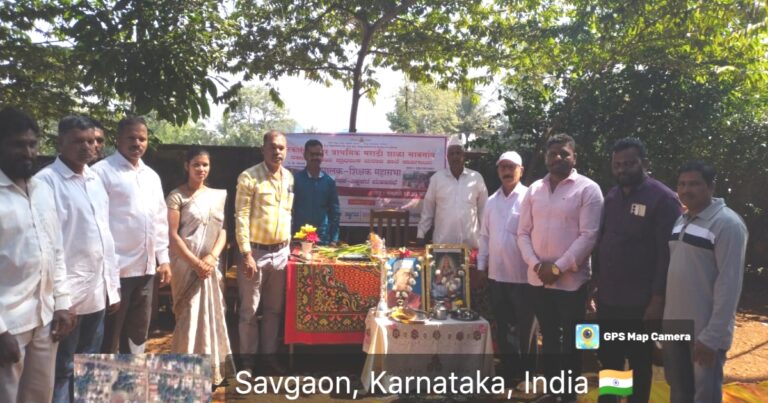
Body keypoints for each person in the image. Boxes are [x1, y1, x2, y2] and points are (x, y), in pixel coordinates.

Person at [35, 116, 121, 403]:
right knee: (63, 369)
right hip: (66, 299)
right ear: (60, 142)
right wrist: (62, 300)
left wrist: (112, 287)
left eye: (91, 141)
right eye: (78, 141)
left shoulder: (95, 179)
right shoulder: (46, 182)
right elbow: (47, 247)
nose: (87, 147)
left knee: (89, 365)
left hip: (96, 293)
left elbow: (104, 236)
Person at [517, 133, 603, 402]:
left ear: (574, 157)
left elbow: (589, 236)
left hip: (572, 282)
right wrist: (536, 265)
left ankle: (568, 395)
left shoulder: (588, 189)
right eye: (553, 153)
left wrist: (557, 268)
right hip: (538, 280)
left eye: (564, 153)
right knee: (550, 338)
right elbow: (522, 233)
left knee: (574, 341)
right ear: (546, 157)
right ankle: (553, 392)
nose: (558, 158)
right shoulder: (534, 190)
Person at [594, 138, 681, 403]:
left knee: (639, 362)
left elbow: (667, 255)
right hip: (609, 299)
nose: (622, 169)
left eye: (629, 164)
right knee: (609, 358)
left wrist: (657, 300)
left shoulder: (663, 199)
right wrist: (595, 286)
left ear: (644, 163)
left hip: (641, 303)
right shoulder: (611, 197)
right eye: (617, 164)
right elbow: (603, 243)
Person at [0, 107, 73, 402]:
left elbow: (55, 250)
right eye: (18, 144)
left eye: (32, 144)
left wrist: (63, 302)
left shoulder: (42, 189)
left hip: (45, 318)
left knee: (39, 396)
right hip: (8, 324)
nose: (28, 152)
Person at [663, 161, 748, 403]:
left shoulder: (728, 224)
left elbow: (729, 285)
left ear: (711, 186)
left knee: (704, 396)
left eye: (694, 184)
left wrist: (712, 337)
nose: (686, 189)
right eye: (681, 184)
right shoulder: (681, 220)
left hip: (704, 332)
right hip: (675, 327)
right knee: (679, 392)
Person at [93, 116, 172, 354]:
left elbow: (159, 220)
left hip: (146, 270)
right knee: (109, 337)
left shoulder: (151, 176)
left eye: (142, 138)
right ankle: (106, 379)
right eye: (131, 138)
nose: (137, 143)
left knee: (138, 334)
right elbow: (96, 223)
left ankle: (132, 377)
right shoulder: (101, 172)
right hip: (116, 272)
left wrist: (164, 259)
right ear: (118, 139)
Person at [166, 147, 233, 386]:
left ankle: (211, 372)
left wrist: (212, 258)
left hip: (210, 268)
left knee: (211, 317)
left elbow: (223, 230)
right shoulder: (177, 197)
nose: (201, 169)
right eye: (196, 164)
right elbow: (172, 236)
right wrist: (196, 264)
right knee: (189, 319)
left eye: (205, 165)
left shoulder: (217, 195)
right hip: (186, 267)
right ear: (187, 166)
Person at [235, 130, 294, 363]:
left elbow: (287, 213)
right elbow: (241, 216)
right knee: (249, 311)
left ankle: (269, 358)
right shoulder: (249, 177)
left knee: (274, 311)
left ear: (286, 151)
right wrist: (246, 253)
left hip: (281, 254)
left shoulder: (289, 177)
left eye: (281, 148)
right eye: (272, 147)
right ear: (263, 149)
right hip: (255, 253)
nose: (277, 151)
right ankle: (247, 363)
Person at [477, 151, 536, 383]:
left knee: (526, 327)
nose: (507, 171)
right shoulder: (491, 201)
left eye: (512, 167)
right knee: (504, 326)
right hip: (497, 275)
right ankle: (510, 371)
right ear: (498, 171)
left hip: (524, 276)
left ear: (521, 170)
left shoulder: (530, 197)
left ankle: (528, 373)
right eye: (503, 167)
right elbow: (484, 237)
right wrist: (481, 267)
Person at [417, 135, 488, 248]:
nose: (455, 157)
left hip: (471, 244)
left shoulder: (476, 178)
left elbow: (483, 210)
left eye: (458, 153)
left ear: (463, 156)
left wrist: (486, 237)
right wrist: (421, 234)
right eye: (452, 154)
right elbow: (428, 209)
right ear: (447, 157)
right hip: (443, 244)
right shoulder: (437, 179)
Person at [291, 139, 341, 245]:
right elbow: (289, 210)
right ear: (305, 155)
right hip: (299, 237)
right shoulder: (295, 180)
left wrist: (334, 239)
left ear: (322, 156)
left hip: (322, 238)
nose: (316, 157)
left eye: (319, 154)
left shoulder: (329, 182)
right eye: (312, 154)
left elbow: (335, 212)